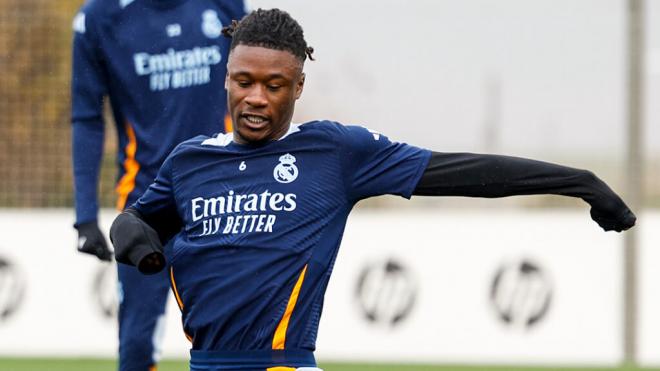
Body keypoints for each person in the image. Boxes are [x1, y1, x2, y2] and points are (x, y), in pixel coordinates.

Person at [109, 8, 636, 371]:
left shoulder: (334, 153)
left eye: (274, 86)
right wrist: (136, 240)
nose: (256, 98)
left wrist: (580, 183)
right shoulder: (191, 162)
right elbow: (135, 218)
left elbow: (460, 172)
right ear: (226, 78)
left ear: (298, 87)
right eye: (243, 81)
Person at [70, 0, 246, 370]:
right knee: (136, 345)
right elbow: (86, 116)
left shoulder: (224, 3)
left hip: (225, 197)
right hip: (146, 207)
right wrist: (86, 216)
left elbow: (254, 86)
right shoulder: (99, 18)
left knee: (234, 340)